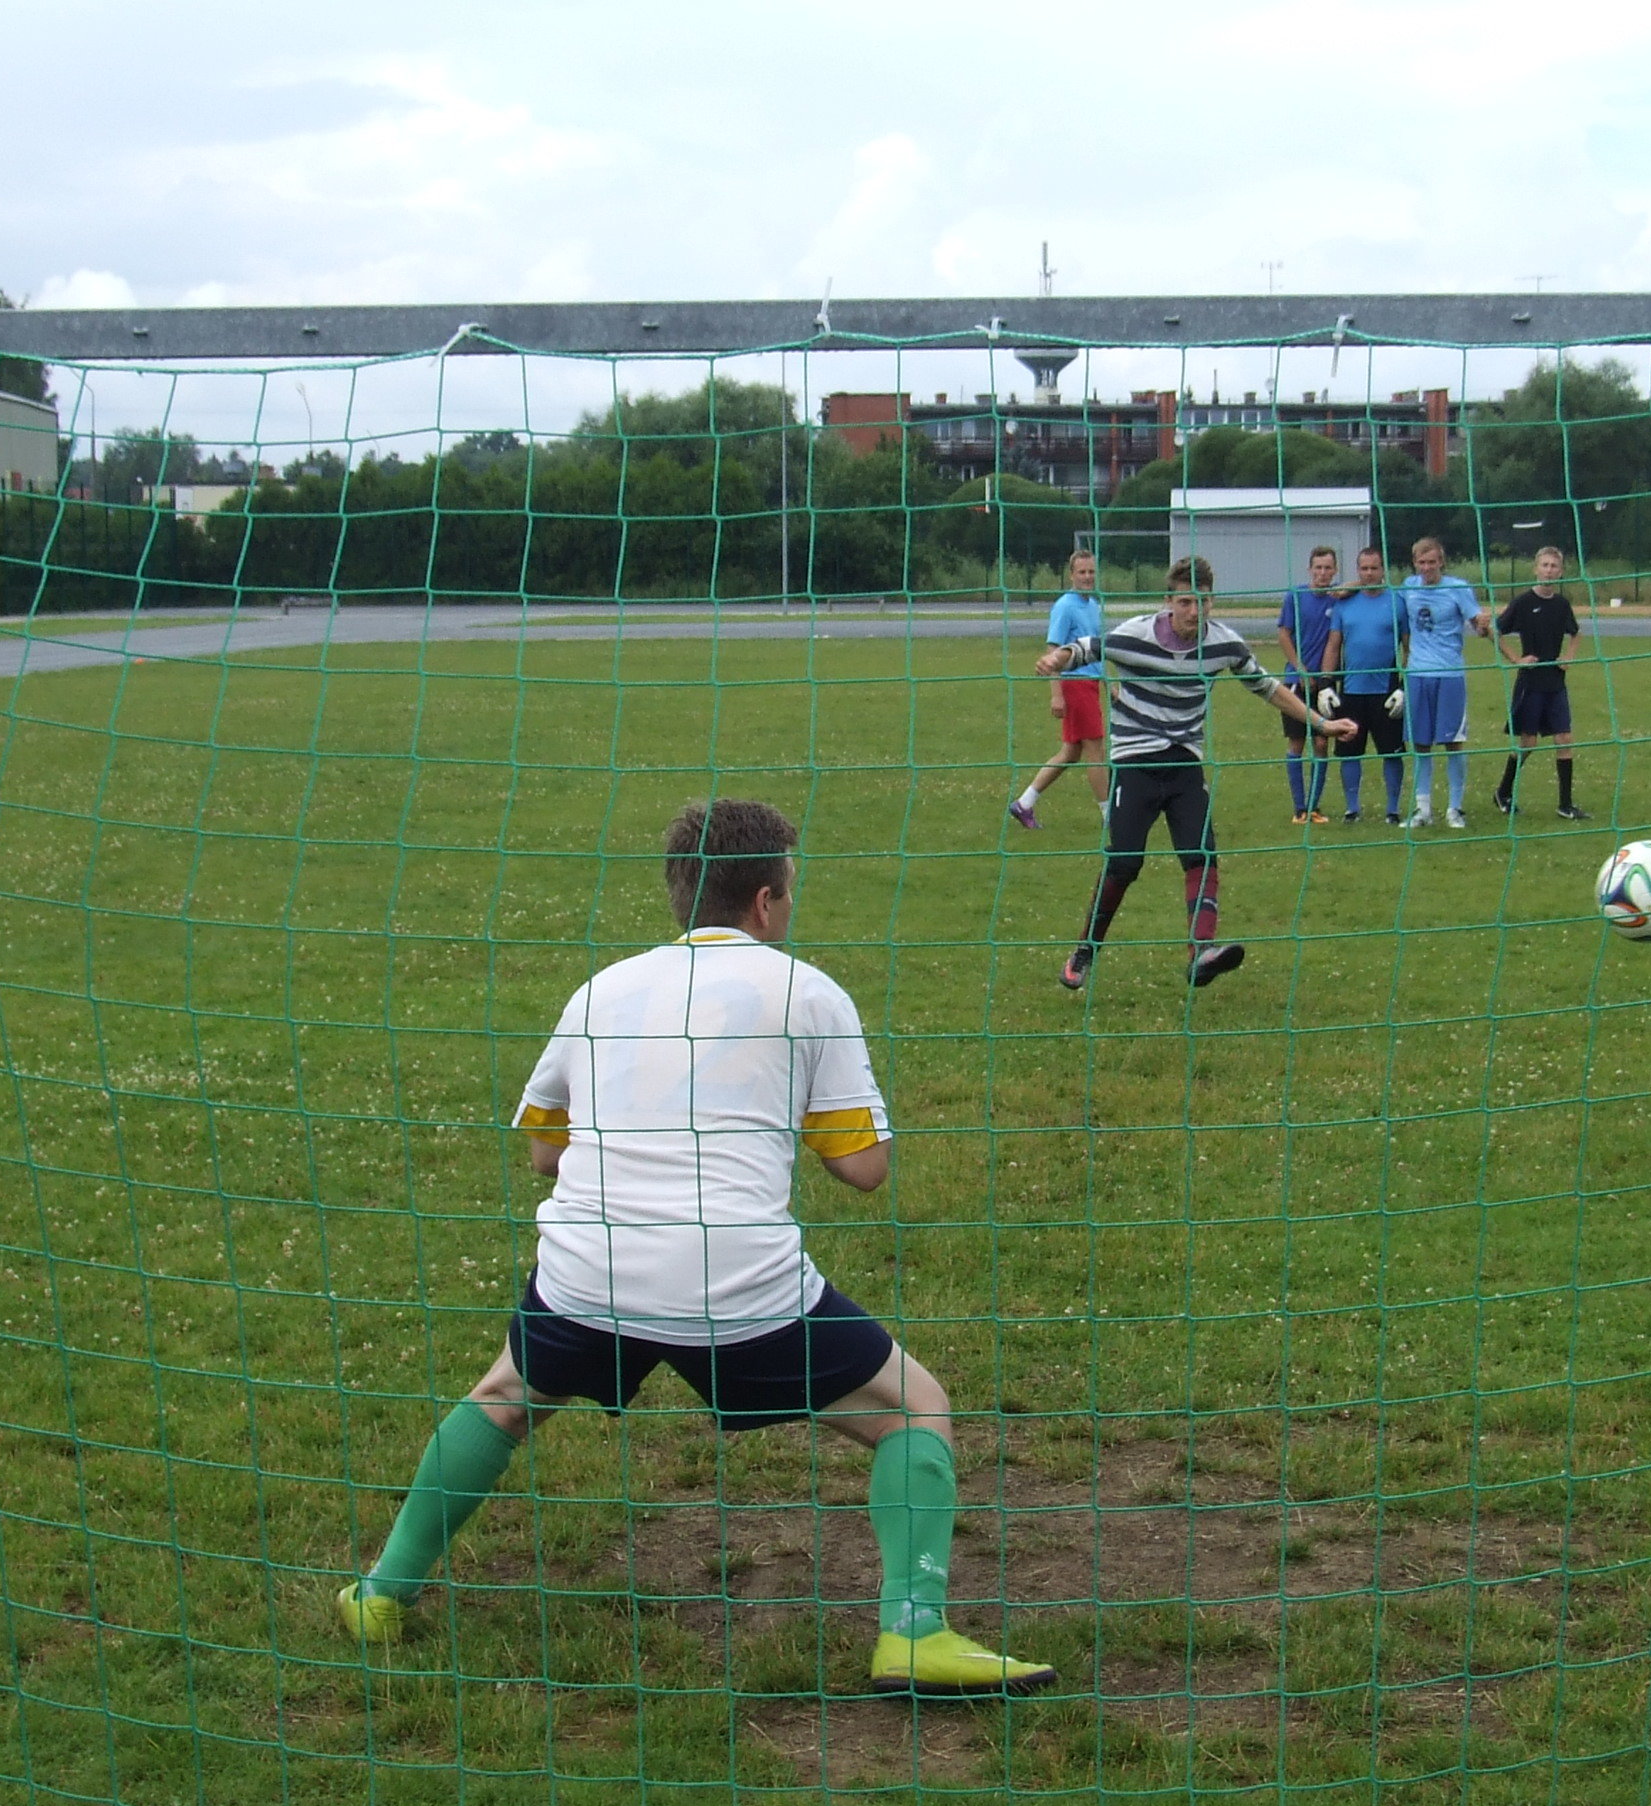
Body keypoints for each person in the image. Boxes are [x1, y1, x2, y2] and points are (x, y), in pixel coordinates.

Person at [338, 798, 1055, 1698]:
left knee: (505, 1397)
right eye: (789, 889)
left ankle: (380, 1593)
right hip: (737, 1283)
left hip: (588, 1272)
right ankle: (915, 1632)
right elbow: (864, 1170)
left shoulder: (601, 989)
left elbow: (544, 1154)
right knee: (916, 1408)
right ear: (764, 901)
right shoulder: (809, 993)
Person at [1036, 556, 1358, 991]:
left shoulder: (1224, 643)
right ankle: (1085, 950)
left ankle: (1201, 952)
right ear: (1168, 602)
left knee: (1201, 855)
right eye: (1185, 602)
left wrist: (1321, 725)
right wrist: (1057, 659)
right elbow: (1087, 648)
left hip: (1185, 763)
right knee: (1124, 862)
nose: (1193, 611)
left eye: (1201, 602)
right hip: (1135, 762)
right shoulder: (1135, 634)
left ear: (1212, 602)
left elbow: (1267, 687)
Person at [1491, 546, 1588, 820]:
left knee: (1564, 738)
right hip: (1530, 682)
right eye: (1544, 565)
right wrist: (1516, 659)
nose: (1549, 570)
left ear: (1561, 572)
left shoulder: (1562, 604)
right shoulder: (1523, 602)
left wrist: (1568, 657)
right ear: (1536, 569)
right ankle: (1503, 791)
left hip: (1555, 681)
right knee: (1528, 742)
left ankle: (1565, 804)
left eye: (1554, 566)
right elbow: (1494, 630)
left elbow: (1576, 634)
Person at [1010, 551, 1105, 830]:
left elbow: (1097, 650)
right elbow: (1053, 651)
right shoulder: (1065, 606)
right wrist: (1057, 694)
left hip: (1091, 684)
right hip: (1076, 685)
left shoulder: (1094, 605)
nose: (1087, 577)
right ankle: (1110, 816)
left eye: (1091, 572)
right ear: (1071, 575)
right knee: (1096, 752)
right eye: (1082, 572)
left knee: (1071, 753)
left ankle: (1024, 803)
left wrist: (1108, 683)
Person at [1398, 536, 1487, 829]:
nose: (1427, 568)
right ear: (1415, 563)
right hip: (1417, 674)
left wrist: (1484, 625)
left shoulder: (1457, 588)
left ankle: (1454, 808)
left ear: (1441, 562)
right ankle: (1422, 809)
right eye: (1422, 562)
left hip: (1449, 674)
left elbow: (1478, 625)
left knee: (1453, 742)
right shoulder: (1409, 587)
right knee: (1420, 744)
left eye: (1432, 562)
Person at [1319, 545, 1410, 823]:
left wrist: (1404, 686)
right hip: (1352, 690)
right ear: (1358, 571)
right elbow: (1333, 645)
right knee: (1349, 752)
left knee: (1391, 752)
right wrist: (1326, 683)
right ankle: (1352, 809)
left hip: (1386, 691)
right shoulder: (1344, 604)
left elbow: (1409, 647)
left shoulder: (1397, 602)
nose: (1369, 573)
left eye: (1374, 568)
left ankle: (1392, 809)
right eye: (1364, 568)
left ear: (1383, 570)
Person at [1275, 545, 1344, 823]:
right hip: (1296, 681)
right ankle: (1299, 808)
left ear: (1335, 571)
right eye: (1318, 568)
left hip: (1325, 683)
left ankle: (1314, 806)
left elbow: (1364, 585)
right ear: (1310, 569)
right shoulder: (1295, 596)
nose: (1322, 573)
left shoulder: (1338, 597)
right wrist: (1300, 670)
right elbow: (1283, 634)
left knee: (1322, 742)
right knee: (1297, 742)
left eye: (1328, 568)